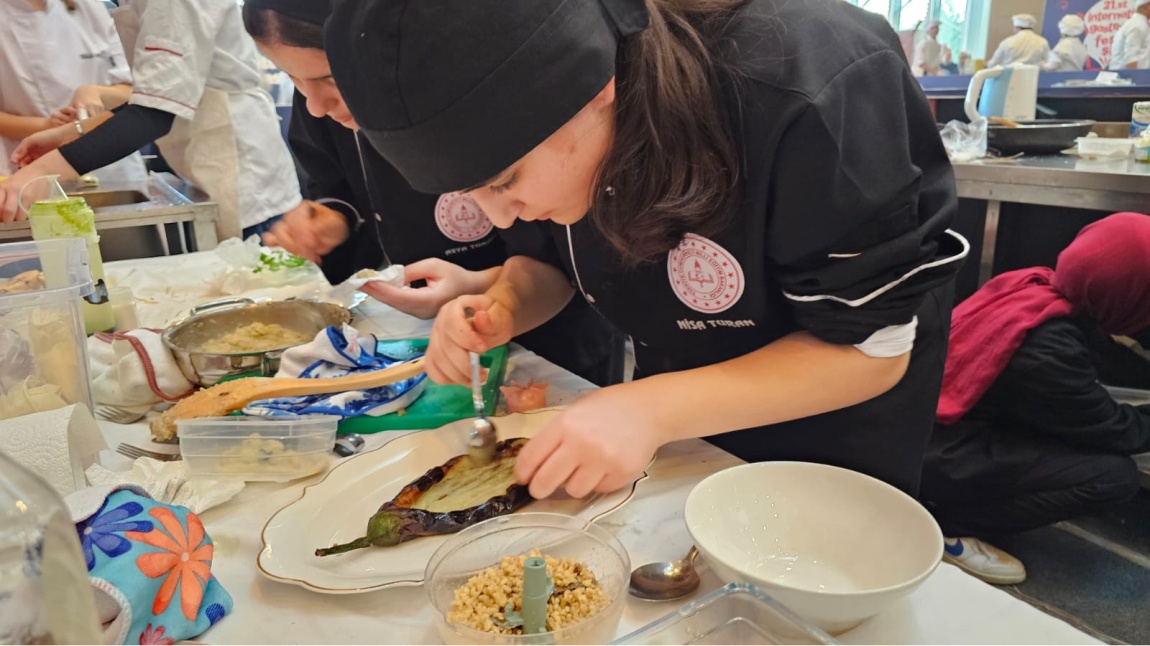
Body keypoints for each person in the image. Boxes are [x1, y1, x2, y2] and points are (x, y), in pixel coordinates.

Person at [326, 0, 968, 500]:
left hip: (832, 431)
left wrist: (650, 407)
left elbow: (869, 348)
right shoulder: (554, 128)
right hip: (685, 419)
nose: (497, 213)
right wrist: (504, 305)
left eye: (505, 181)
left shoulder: (809, 87)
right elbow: (546, 260)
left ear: (596, 89)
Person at [239, 0, 626, 387]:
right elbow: (335, 184)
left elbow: (554, 261)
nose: (316, 107)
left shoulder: (494, 100)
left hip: (558, 336)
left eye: (330, 79)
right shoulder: (329, 112)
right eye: (293, 80)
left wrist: (483, 286)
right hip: (455, 325)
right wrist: (333, 217)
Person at [921, 213, 1150, 586]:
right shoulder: (1047, 346)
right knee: (1113, 476)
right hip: (940, 458)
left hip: (921, 431)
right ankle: (944, 527)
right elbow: (1117, 431)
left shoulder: (1037, 283)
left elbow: (1112, 354)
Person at [0, 0, 303, 241]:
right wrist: (70, 132)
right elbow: (154, 97)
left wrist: (39, 173)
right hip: (211, 163)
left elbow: (153, 115)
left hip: (246, 177)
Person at [0, 0, 146, 184]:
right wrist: (47, 127)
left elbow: (139, 92)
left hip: (113, 165)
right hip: (31, 166)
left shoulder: (90, 7)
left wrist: (95, 92)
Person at [1110, 0, 1150, 70]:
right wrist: (1136, 79)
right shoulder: (1138, 25)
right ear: (1147, 6)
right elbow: (1130, 58)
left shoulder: (1135, 24)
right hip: (1129, 78)